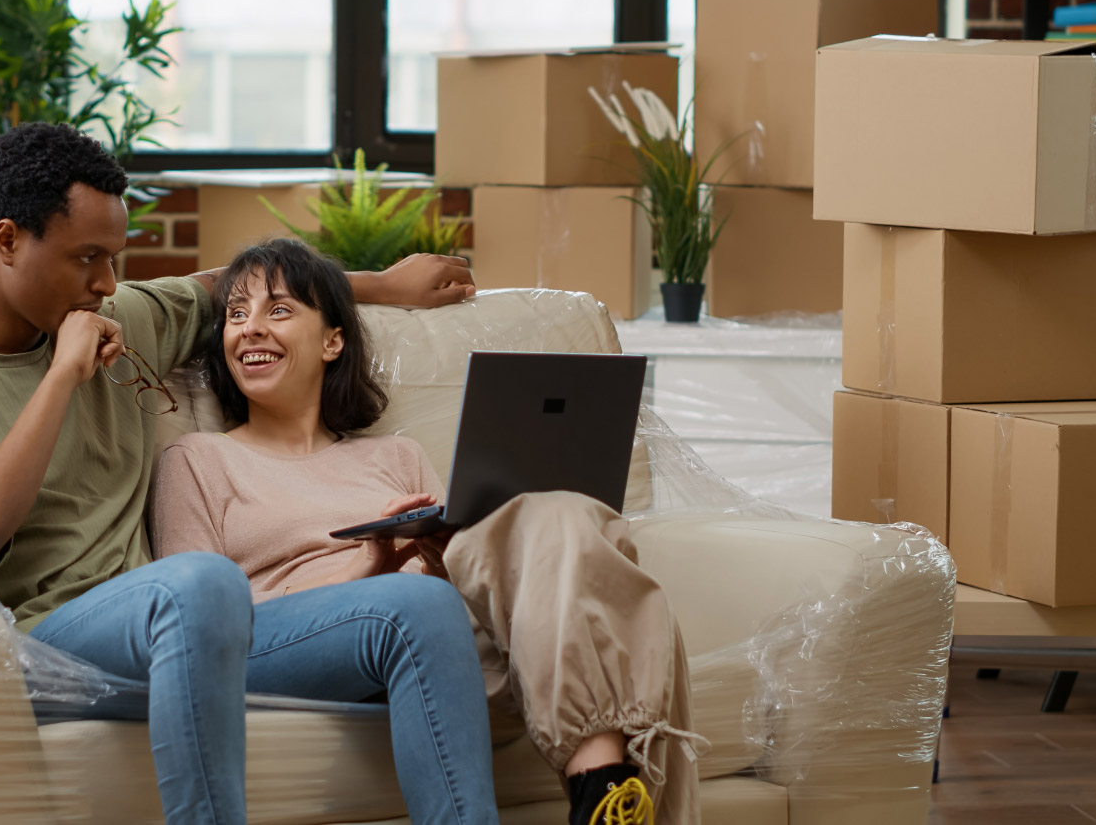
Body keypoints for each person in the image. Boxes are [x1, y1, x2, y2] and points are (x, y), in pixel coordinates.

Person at [0, 123, 501, 825]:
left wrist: (381, 284)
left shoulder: (116, 314)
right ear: (7, 242)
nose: (107, 282)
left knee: (423, 610)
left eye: (115, 258)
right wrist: (63, 374)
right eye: (87, 258)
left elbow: (219, 288)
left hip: (190, 642)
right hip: (41, 652)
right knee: (200, 581)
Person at [150, 239, 705, 825]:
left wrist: (441, 564)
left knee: (567, 517)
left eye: (279, 310)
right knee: (422, 600)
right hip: (303, 649)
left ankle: (601, 789)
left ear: (333, 340)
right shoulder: (196, 459)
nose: (250, 329)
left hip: (439, 649)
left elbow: (449, 596)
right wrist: (361, 574)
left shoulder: (397, 456)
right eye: (236, 314)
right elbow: (194, 624)